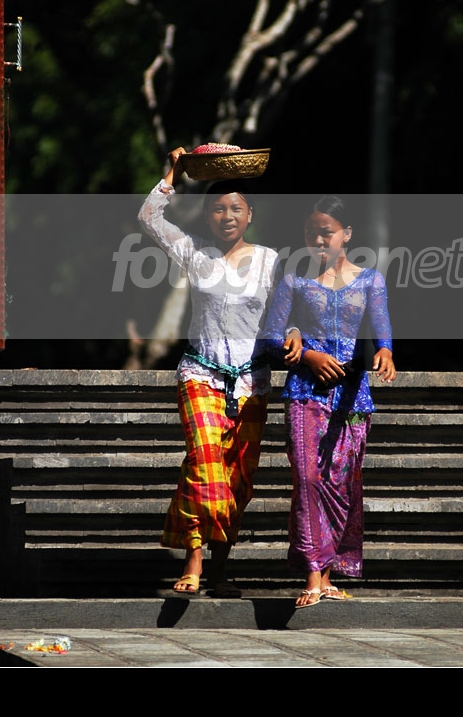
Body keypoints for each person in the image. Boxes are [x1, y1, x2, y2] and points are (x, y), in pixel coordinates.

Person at [138, 147, 289, 598]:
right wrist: (174, 172)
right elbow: (149, 217)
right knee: (206, 465)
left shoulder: (270, 260)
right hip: (200, 375)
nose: (227, 216)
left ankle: (220, 570)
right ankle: (194, 560)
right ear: (207, 217)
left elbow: (285, 314)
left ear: (250, 214)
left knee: (238, 480)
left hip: (251, 383)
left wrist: (295, 333)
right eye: (218, 209)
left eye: (236, 208)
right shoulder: (195, 254)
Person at [262, 194, 396, 609]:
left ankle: (328, 574)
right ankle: (312, 574)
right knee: (307, 480)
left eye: (327, 232)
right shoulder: (294, 281)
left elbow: (381, 327)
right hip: (305, 393)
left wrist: (386, 351)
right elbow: (270, 337)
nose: (318, 240)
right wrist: (307, 355)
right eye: (310, 233)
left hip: (352, 398)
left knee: (340, 485)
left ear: (346, 234)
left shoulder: (371, 280)